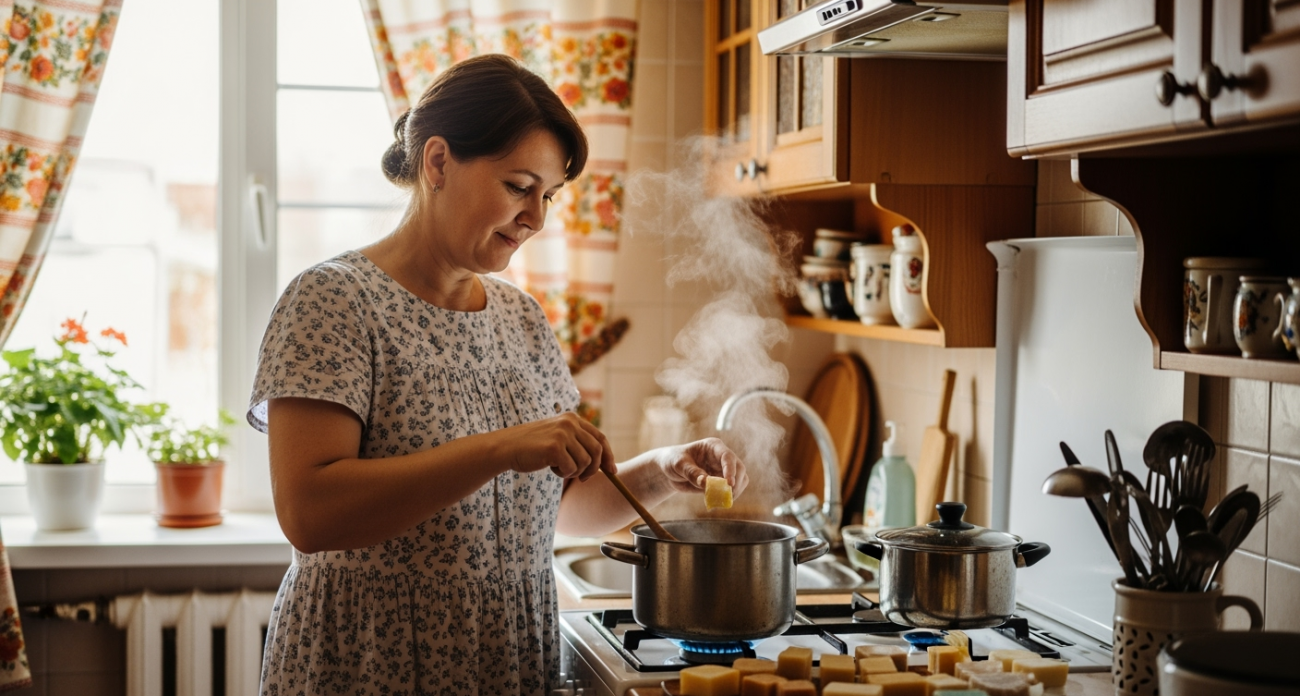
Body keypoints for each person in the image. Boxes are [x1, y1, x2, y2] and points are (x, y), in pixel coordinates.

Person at [246, 54, 749, 695]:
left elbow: (556, 508)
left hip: (506, 658)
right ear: (436, 163)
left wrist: (662, 470)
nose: (537, 217)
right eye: (518, 186)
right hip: (370, 663)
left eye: (549, 196)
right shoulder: (333, 301)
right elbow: (309, 514)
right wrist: (501, 448)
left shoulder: (522, 318)